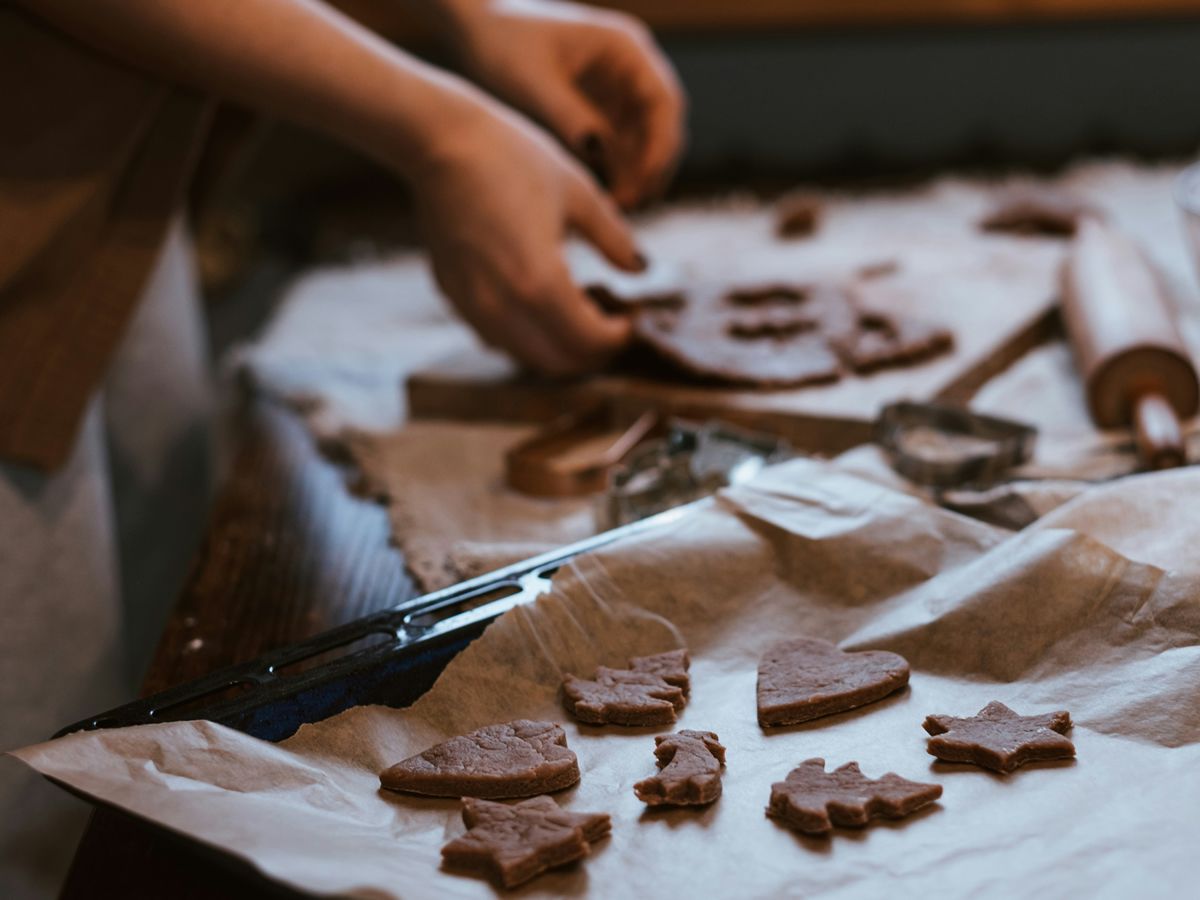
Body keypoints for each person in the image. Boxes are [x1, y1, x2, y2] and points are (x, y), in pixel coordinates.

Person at [0, 1, 685, 896]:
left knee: (161, 698)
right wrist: (441, 131)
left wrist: (463, 11)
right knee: (31, 814)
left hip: (108, 171)